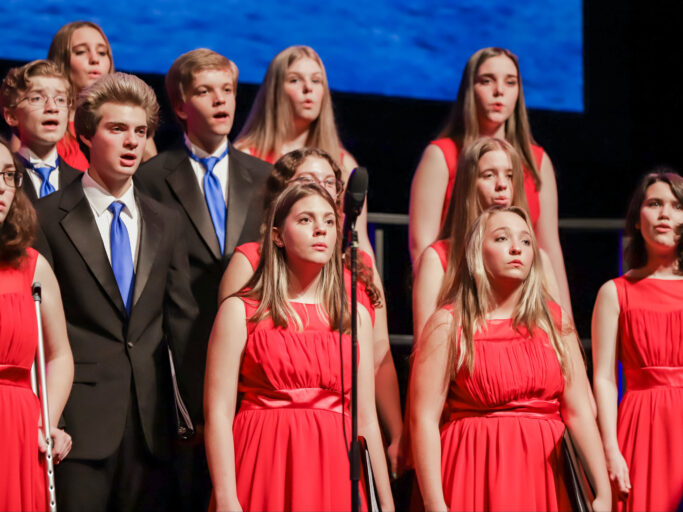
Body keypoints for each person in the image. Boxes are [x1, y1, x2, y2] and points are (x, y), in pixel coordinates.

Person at [33, 72, 198, 511]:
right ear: (86, 134)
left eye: (140, 131)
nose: (132, 142)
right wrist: (53, 420)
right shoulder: (46, 219)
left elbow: (181, 325)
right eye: (117, 129)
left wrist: (195, 418)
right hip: (77, 429)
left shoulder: (166, 221)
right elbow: (37, 334)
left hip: (153, 431)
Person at [135, 48, 272, 510]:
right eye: (205, 91)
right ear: (179, 106)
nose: (221, 101)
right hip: (183, 361)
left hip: (254, 363)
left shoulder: (265, 178)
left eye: (228, 91)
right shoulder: (152, 177)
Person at [205, 181, 394, 511]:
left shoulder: (356, 317)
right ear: (278, 235)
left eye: (329, 221)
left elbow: (365, 420)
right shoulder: (240, 311)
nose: (320, 229)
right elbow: (218, 414)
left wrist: (385, 503)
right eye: (306, 220)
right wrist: (225, 496)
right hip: (264, 459)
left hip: (334, 463)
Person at [410, 206, 611, 512]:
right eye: (502, 238)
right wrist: (435, 502)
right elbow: (423, 418)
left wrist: (602, 491)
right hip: (473, 469)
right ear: (477, 251)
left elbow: (579, 411)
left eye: (526, 241)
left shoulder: (554, 323)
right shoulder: (448, 324)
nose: (517, 248)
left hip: (545, 472)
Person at [408, 47, 572, 315]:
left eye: (510, 82)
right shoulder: (443, 154)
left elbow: (549, 247)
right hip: (461, 300)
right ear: (469, 89)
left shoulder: (537, 160)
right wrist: (439, 313)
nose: (499, 91)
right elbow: (421, 246)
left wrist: (566, 322)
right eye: (487, 80)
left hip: (524, 303)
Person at [592, 170, 683, 511]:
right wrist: (610, 447)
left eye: (676, 206)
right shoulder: (615, 293)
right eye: (655, 203)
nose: (664, 214)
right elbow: (603, 378)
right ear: (636, 217)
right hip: (640, 426)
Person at [234, 45, 376, 263]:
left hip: (328, 281)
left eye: (316, 81)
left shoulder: (343, 163)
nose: (308, 88)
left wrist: (376, 294)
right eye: (295, 80)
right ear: (275, 90)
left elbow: (360, 241)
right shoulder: (245, 156)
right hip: (265, 276)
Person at [412, 137, 560, 342]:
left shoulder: (536, 258)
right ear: (468, 184)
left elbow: (560, 338)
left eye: (509, 176)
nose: (501, 185)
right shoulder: (439, 259)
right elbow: (425, 346)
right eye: (489, 175)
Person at [0, 137, 73, 511]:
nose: (1, 186)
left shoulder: (32, 266)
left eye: (8, 175)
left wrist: (47, 422)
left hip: (16, 425)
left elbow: (59, 354)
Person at [44, 21, 156, 170]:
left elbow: (153, 180)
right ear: (60, 62)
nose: (94, 59)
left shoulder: (134, 126)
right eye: (81, 52)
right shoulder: (43, 123)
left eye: (102, 53)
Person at [1, 60, 81, 201]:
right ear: (12, 116)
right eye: (37, 98)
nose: (52, 107)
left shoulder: (82, 184)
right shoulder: (5, 179)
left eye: (61, 100)